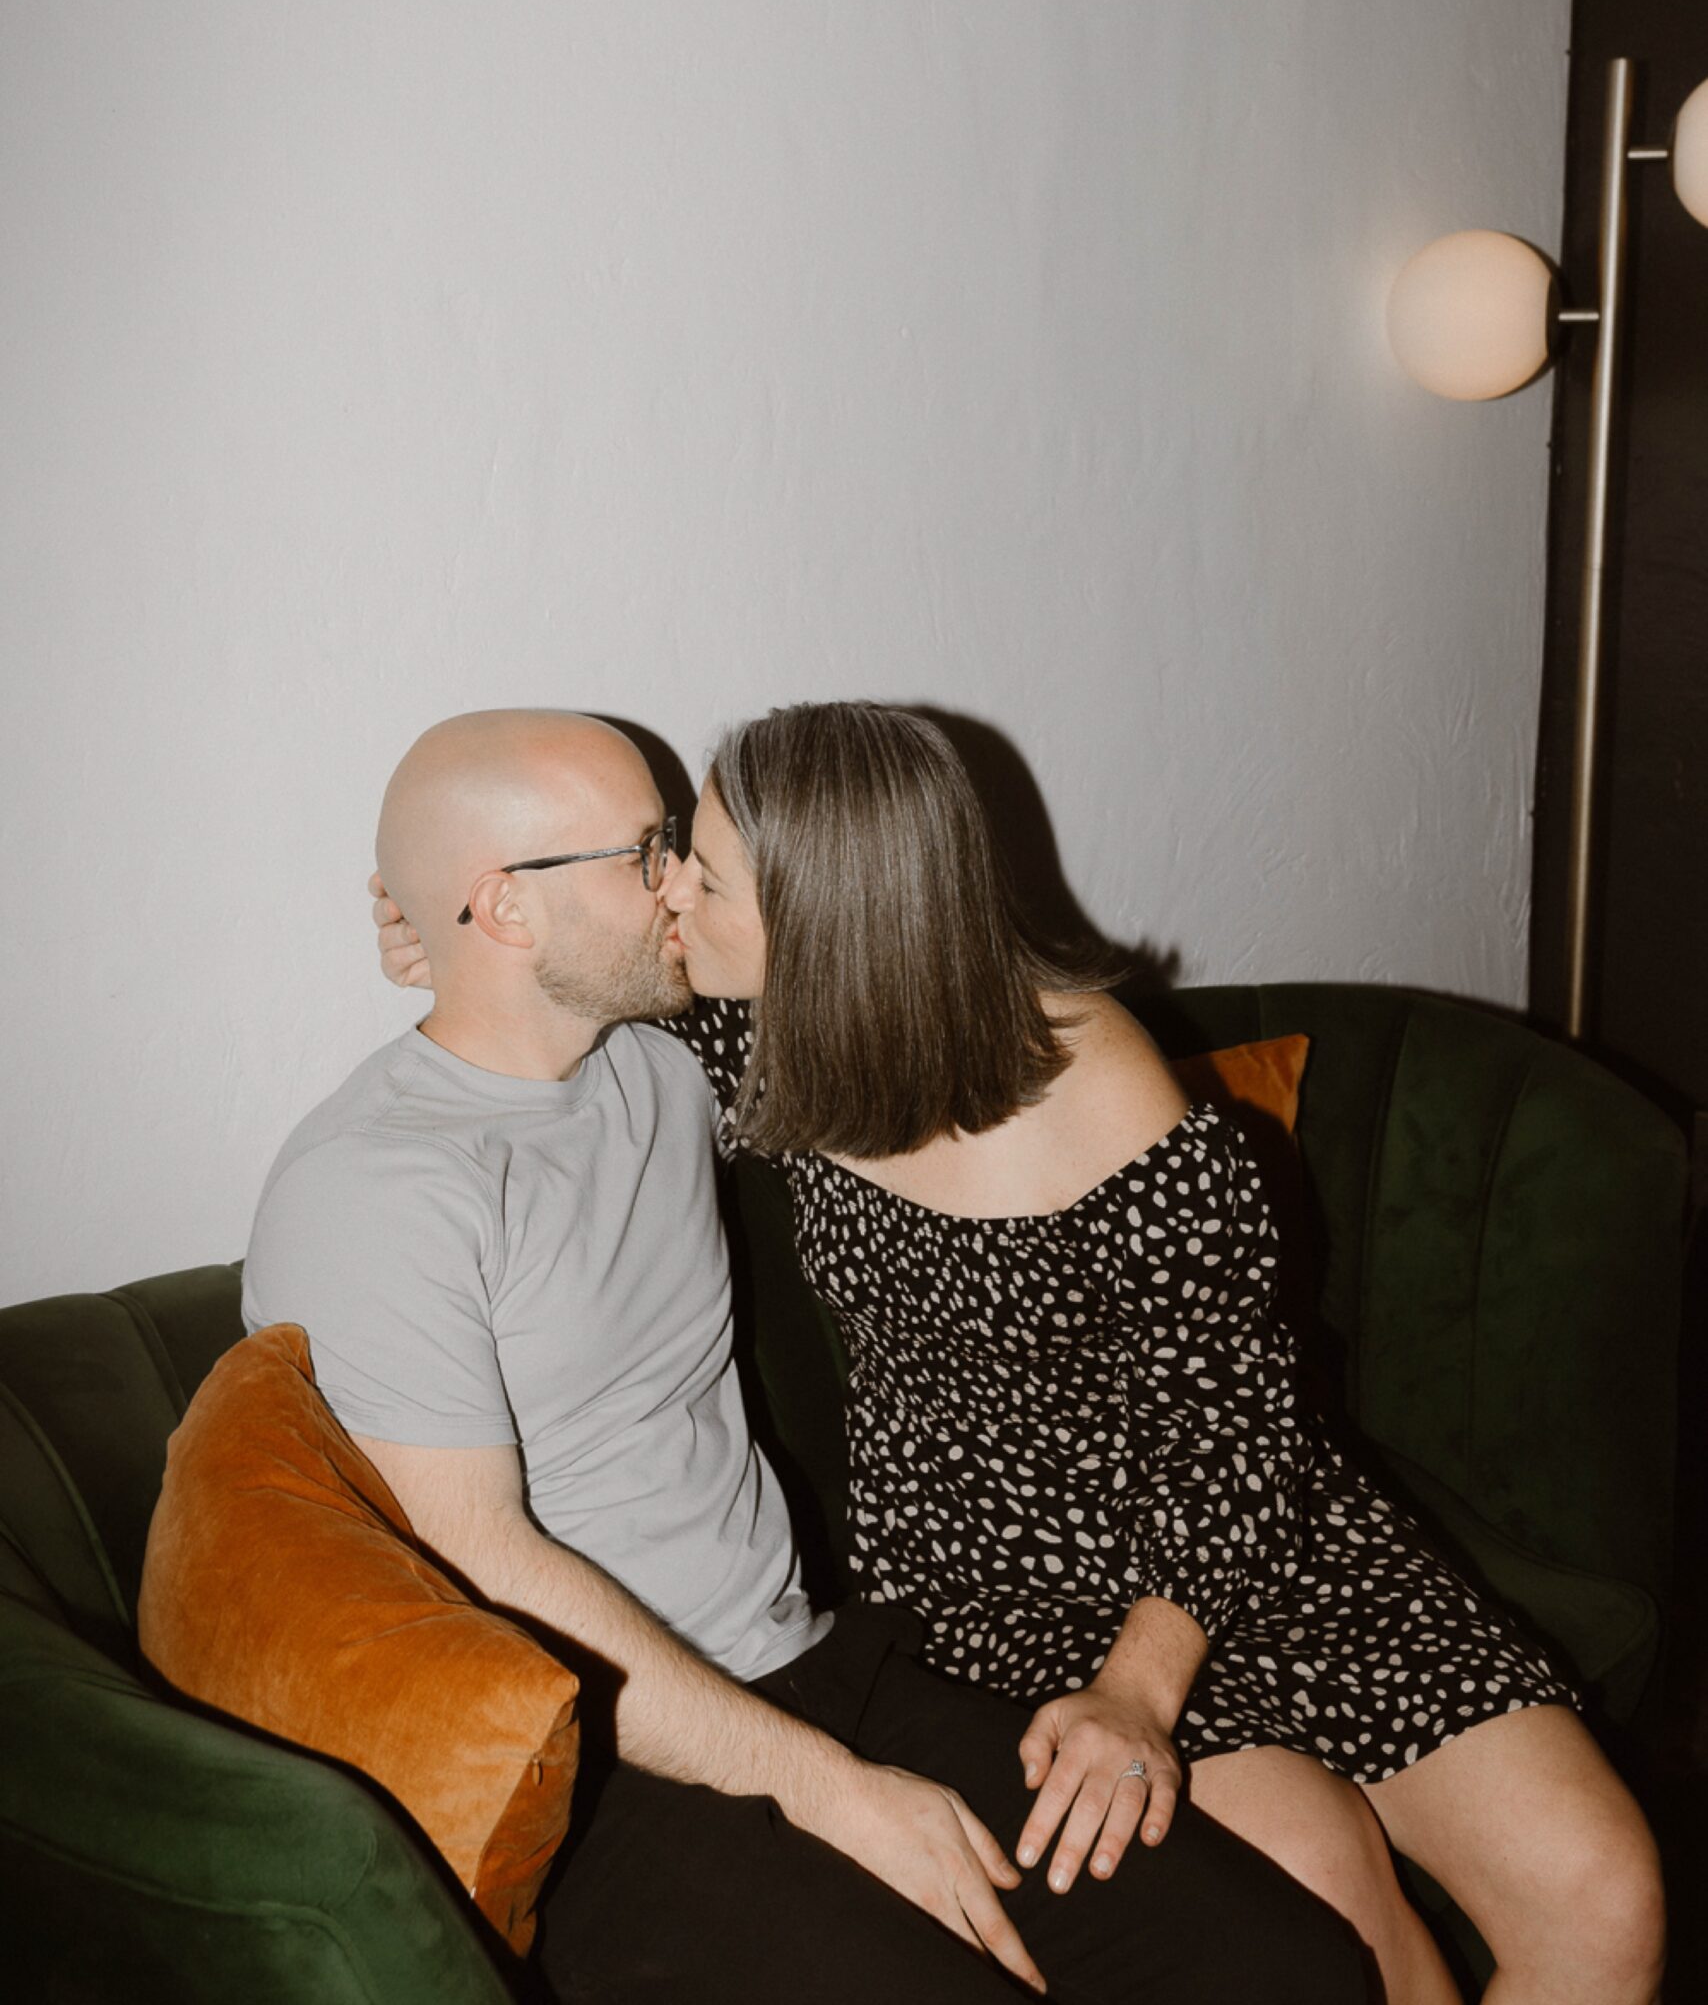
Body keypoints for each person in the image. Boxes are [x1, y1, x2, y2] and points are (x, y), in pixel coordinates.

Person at [371, 699, 1669, 2005]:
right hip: (994, 1593)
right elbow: (553, 998)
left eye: (702, 876)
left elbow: (1236, 1433)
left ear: (832, 927)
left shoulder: (1097, 1087)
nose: (667, 901)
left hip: (1239, 1539)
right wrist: (452, 934)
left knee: (1603, 1893)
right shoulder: (748, 1039)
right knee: (1325, 1894)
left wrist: (1140, 1698)